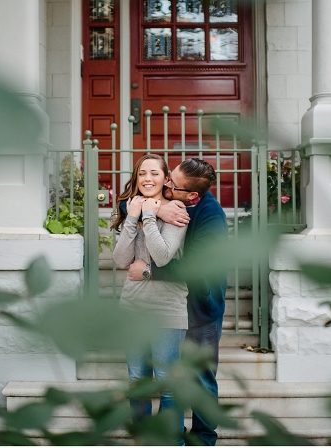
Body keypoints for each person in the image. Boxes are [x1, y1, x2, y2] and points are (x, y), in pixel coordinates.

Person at [126, 158, 228, 446]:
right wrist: (156, 207)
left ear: (192, 196)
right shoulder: (171, 199)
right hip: (170, 305)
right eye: (168, 176)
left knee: (201, 378)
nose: (165, 183)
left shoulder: (211, 217)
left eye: (172, 183)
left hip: (201, 309)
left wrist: (148, 271)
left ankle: (204, 439)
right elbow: (129, 202)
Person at [111, 154, 188, 444]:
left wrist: (149, 215)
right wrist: (132, 217)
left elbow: (163, 257)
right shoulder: (129, 209)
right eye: (142, 173)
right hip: (133, 307)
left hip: (167, 308)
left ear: (166, 178)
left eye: (154, 173)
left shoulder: (176, 211)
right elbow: (120, 260)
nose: (147, 179)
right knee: (137, 381)